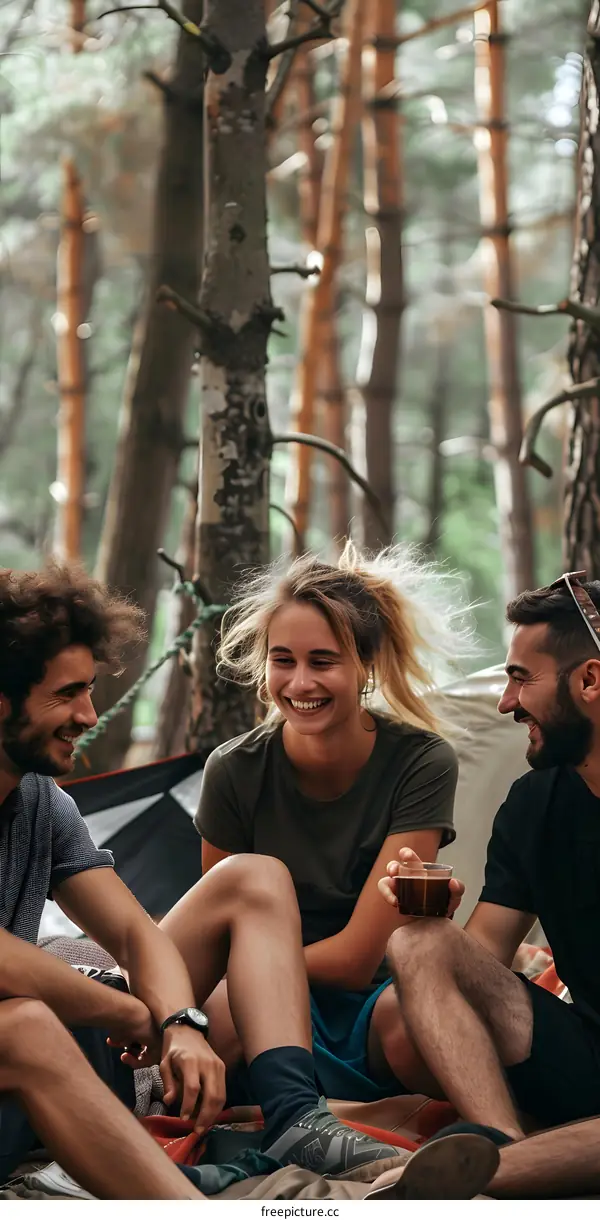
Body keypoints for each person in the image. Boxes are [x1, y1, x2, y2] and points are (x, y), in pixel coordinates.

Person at [0, 561, 411, 1195]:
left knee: (253, 878)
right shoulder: (240, 767)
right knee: (26, 1022)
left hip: (65, 1050)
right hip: (23, 1049)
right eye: (66, 695)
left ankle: (295, 1120)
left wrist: (182, 1022)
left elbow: (137, 934)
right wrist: (131, 1013)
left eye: (89, 690)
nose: (89, 715)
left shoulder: (42, 803)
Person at [194, 542, 472, 1101]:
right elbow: (219, 929)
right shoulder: (233, 770)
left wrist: (256, 967)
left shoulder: (421, 762)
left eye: (322, 662)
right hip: (260, 997)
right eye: (283, 660)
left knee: (417, 1027)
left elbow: (354, 960)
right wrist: (249, 979)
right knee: (215, 1016)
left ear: (365, 665)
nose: (300, 684)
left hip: (373, 996)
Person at [379, 572, 600, 1139]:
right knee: (420, 944)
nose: (506, 704)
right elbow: (479, 963)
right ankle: (498, 1141)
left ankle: (502, 1171)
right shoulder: (534, 806)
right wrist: (434, 922)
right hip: (584, 1060)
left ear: (591, 680)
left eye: (521, 679)